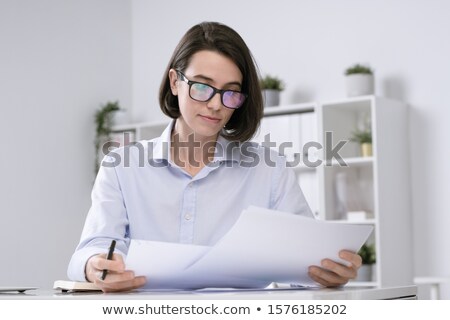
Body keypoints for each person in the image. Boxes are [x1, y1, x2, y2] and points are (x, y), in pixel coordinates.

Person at [67, 21, 362, 292]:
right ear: (174, 82)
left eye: (230, 93)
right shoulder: (121, 167)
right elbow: (92, 248)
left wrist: (325, 275)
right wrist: (96, 266)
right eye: (202, 87)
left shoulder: (269, 170)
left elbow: (305, 263)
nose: (215, 105)